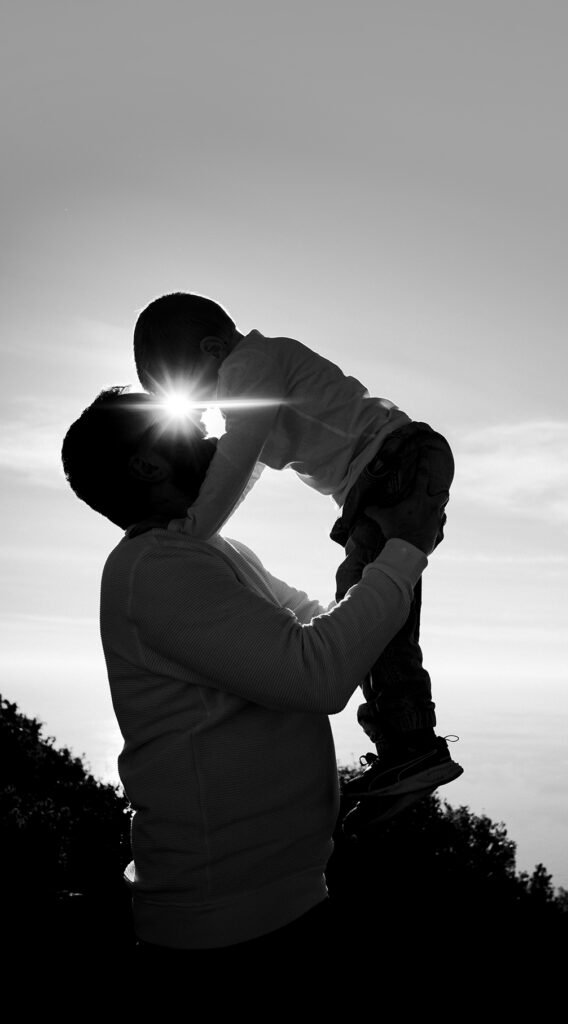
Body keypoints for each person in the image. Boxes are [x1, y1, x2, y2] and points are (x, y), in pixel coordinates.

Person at [60, 386, 447, 990]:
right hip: (224, 937)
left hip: (270, 908)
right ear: (147, 464)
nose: (215, 435)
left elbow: (328, 624)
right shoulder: (154, 569)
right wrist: (403, 552)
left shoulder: (210, 551)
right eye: (190, 425)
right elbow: (317, 673)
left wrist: (382, 550)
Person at [133, 292, 463, 829]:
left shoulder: (252, 365)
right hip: (387, 468)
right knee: (375, 612)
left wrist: (192, 530)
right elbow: (249, 468)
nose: (201, 408)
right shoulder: (254, 377)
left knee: (370, 604)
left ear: (215, 349)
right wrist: (208, 525)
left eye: (193, 392)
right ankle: (408, 747)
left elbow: (237, 454)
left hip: (391, 460)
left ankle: (411, 747)